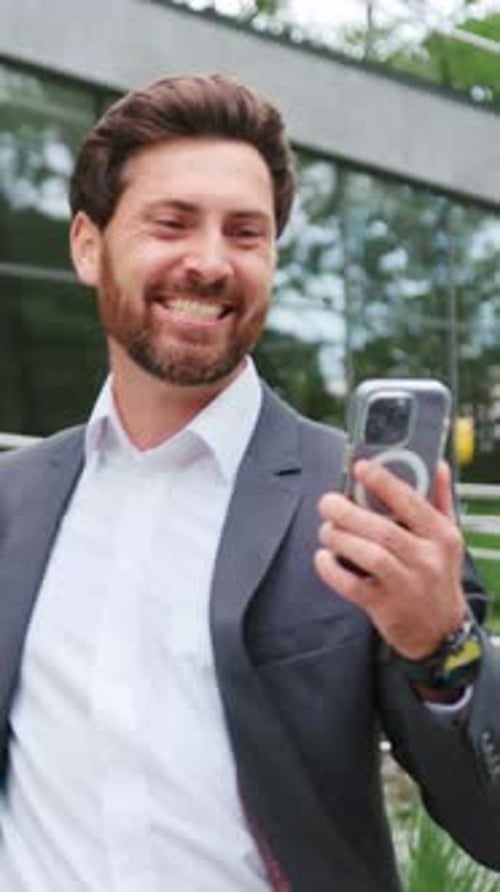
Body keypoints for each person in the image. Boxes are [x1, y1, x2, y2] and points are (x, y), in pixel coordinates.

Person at [0, 73, 499, 892]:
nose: (209, 262)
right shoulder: (13, 501)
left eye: (245, 233)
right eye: (171, 223)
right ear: (88, 246)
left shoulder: (366, 506)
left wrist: (443, 643)